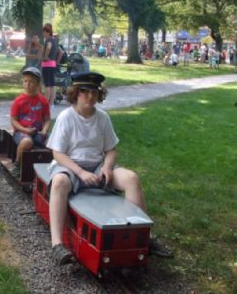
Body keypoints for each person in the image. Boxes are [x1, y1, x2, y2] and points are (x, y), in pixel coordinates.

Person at [46, 72, 173, 266]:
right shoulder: (66, 117)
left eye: (94, 92)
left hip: (97, 166)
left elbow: (111, 150)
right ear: (74, 93)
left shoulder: (103, 118)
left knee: (131, 178)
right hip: (71, 166)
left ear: (100, 94)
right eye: (84, 91)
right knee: (59, 183)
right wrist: (80, 172)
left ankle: (144, 238)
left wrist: (107, 166)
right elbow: (58, 154)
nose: (90, 96)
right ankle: (57, 245)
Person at [10, 67, 51, 176]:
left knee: (53, 142)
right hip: (21, 132)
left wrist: (45, 130)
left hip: (38, 132)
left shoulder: (43, 100)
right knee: (27, 142)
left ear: (38, 84)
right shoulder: (18, 101)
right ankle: (17, 164)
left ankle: (51, 166)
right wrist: (24, 130)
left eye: (31, 82)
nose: (28, 84)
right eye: (25, 81)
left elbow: (47, 119)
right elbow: (13, 120)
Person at [42, 23, 59, 105]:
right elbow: (61, 52)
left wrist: (45, 56)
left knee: (47, 86)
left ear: (47, 32)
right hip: (53, 64)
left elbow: (48, 47)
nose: (43, 34)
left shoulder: (49, 40)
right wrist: (56, 61)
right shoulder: (55, 40)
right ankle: (50, 105)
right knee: (52, 86)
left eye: (44, 32)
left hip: (47, 65)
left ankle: (45, 105)